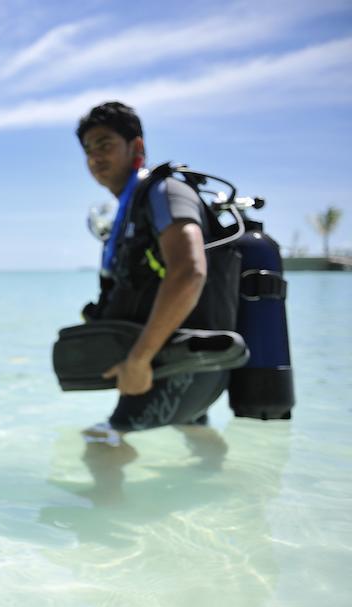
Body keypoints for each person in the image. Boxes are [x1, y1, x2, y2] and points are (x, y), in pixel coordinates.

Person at [75, 101, 238, 433]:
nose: (95, 157)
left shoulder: (164, 192)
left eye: (105, 144)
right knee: (197, 436)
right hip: (187, 361)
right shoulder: (132, 205)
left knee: (101, 442)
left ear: (136, 146)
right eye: (88, 149)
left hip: (178, 360)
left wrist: (138, 359)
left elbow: (189, 271)